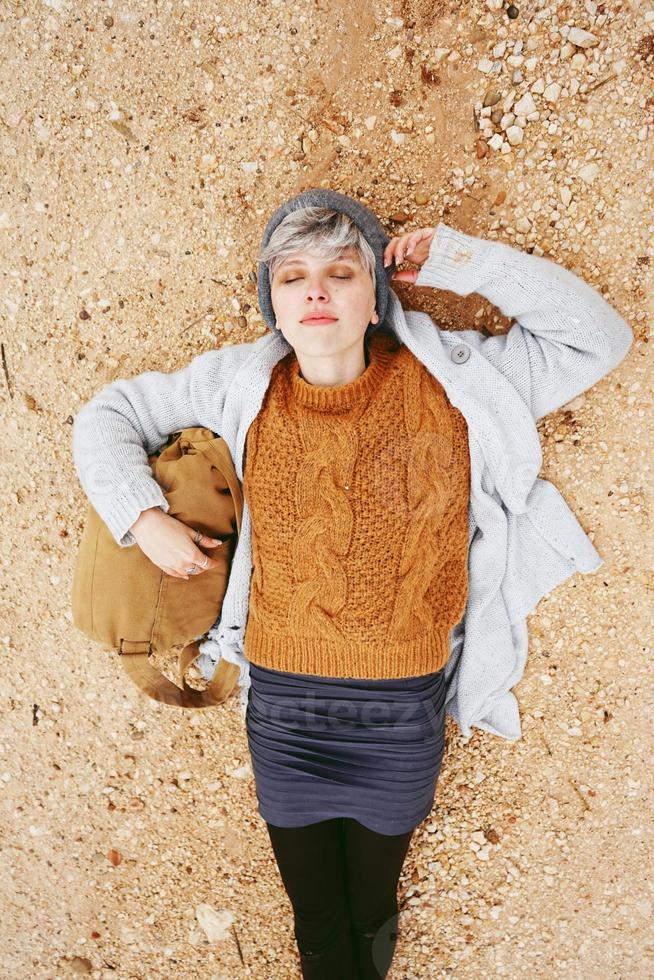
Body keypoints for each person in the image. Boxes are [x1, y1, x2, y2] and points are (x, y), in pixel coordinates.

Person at [72, 188, 633, 978]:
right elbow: (107, 414)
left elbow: (600, 340)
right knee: (315, 920)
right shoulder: (241, 385)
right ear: (272, 300)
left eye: (341, 271)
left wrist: (470, 261)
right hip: (285, 713)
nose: (316, 290)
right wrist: (142, 517)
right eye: (293, 274)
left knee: (372, 906)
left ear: (376, 294)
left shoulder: (455, 380)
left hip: (401, 715)